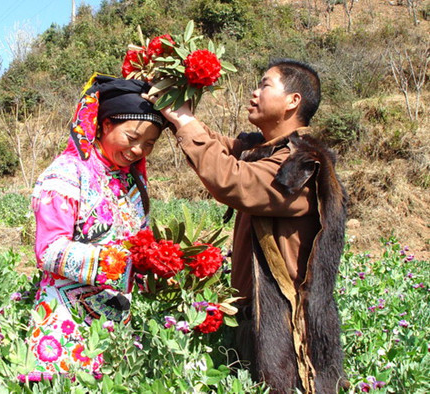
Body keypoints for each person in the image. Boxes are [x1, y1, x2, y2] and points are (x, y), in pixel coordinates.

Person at [145, 59, 349, 393]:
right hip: (252, 317)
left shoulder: (302, 166)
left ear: (292, 101)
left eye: (265, 85)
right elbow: (216, 146)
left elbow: (233, 180)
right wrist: (172, 104)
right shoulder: (263, 151)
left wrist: (184, 118)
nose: (254, 92)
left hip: (284, 327)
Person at [27, 74, 165, 381]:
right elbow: (49, 250)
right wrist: (117, 264)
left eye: (149, 144)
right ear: (104, 125)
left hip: (115, 323)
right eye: (132, 138)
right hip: (65, 320)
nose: (139, 150)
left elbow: (139, 244)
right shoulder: (66, 174)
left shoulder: (133, 182)